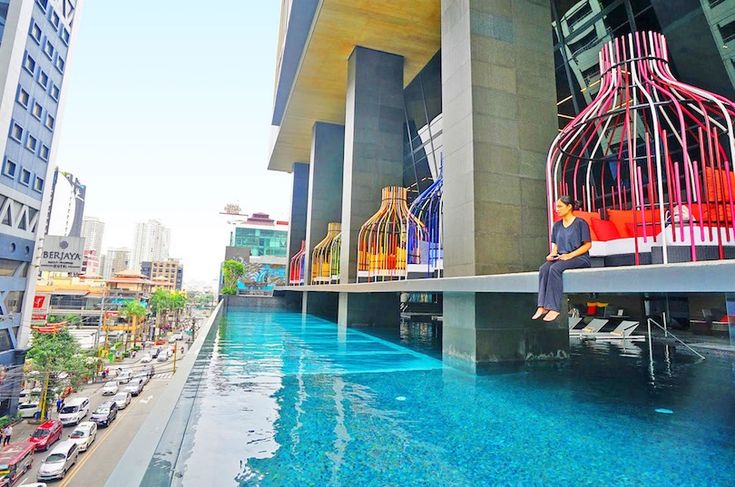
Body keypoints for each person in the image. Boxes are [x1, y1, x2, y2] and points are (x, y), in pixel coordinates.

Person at [534, 195, 592, 322]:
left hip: (579, 258)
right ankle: (542, 306)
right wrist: (552, 255)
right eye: (556, 207)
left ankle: (554, 308)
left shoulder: (580, 223)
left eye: (560, 206)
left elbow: (588, 245)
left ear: (569, 206)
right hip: (562, 257)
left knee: (555, 269)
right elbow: (556, 247)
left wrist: (570, 255)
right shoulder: (557, 226)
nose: (557, 209)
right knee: (544, 268)